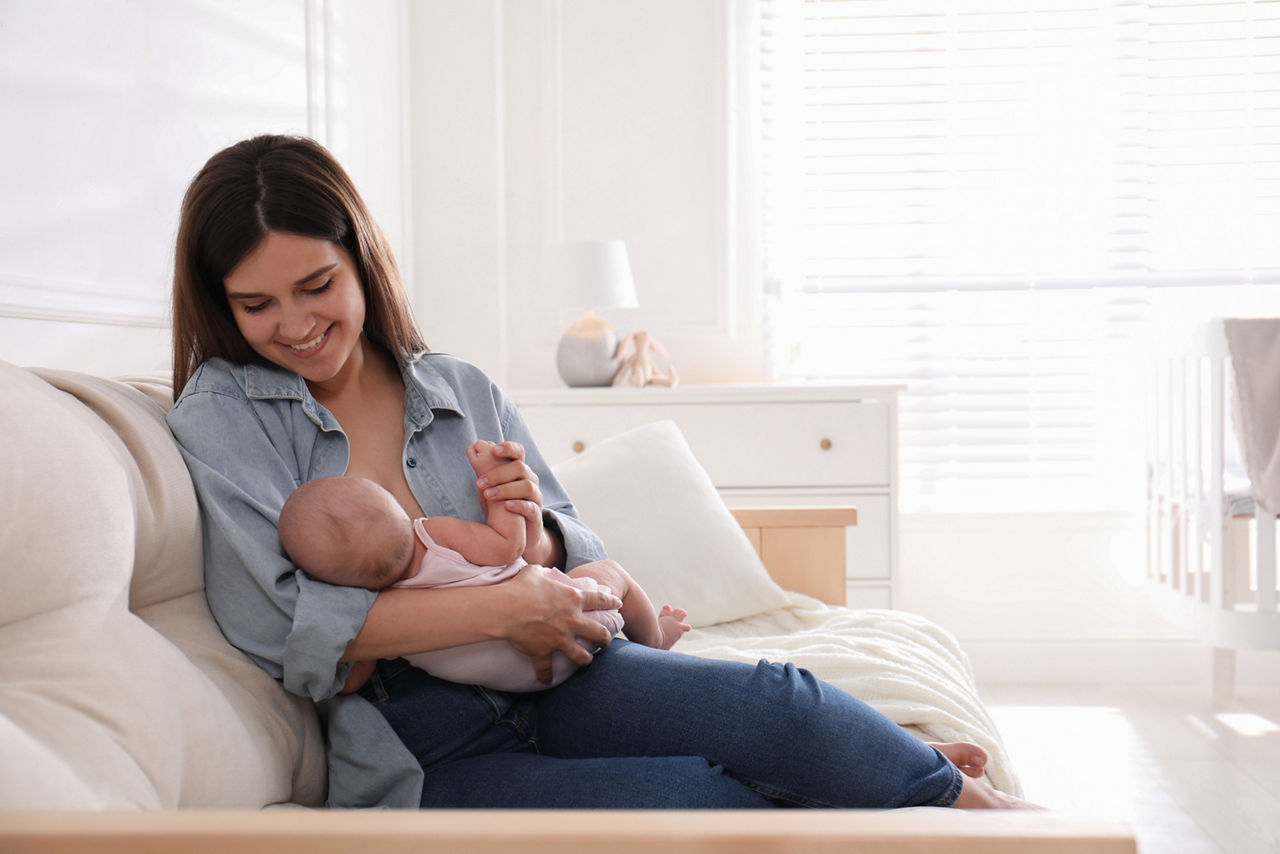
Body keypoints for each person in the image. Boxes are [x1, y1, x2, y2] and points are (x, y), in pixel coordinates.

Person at [167, 133, 1031, 810]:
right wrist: (507, 605)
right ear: (223, 302)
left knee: (781, 706)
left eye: (317, 284)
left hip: (568, 672)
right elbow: (279, 625)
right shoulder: (225, 413)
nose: (295, 323)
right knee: (701, 805)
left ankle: (947, 795)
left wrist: (536, 531)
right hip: (425, 742)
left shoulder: (458, 388)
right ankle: (881, 778)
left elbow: (581, 550)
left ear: (359, 257)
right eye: (257, 304)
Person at [275, 446, 689, 692]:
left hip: (513, 680)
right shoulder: (432, 534)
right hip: (572, 627)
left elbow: (350, 680)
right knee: (612, 573)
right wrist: (496, 491)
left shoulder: (377, 612)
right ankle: (655, 638)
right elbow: (509, 548)